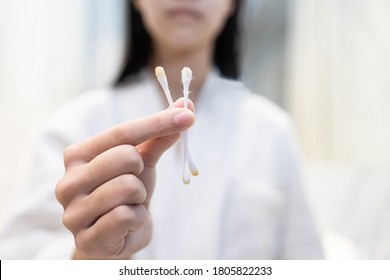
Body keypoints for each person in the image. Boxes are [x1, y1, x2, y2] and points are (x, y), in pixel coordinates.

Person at [0, 0, 323, 259]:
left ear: (232, 4)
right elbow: (17, 256)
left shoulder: (273, 131)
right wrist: (90, 258)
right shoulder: (73, 127)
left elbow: (306, 260)